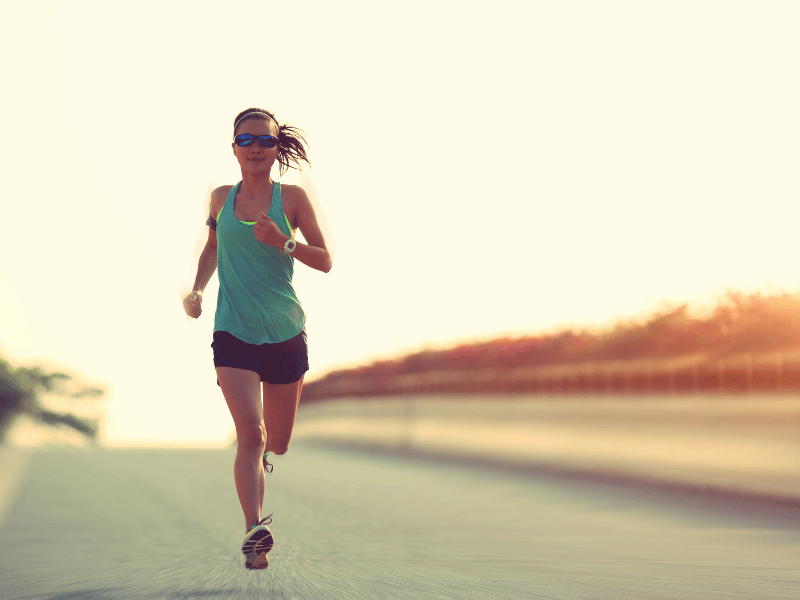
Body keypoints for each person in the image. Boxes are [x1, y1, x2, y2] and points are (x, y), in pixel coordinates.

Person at [183, 108, 332, 570]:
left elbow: (325, 260)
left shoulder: (292, 201)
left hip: (285, 330)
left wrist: (282, 242)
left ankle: (265, 466)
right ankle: (254, 530)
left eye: (264, 141)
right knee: (251, 434)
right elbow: (212, 248)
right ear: (233, 148)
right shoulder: (220, 199)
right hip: (233, 331)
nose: (255, 148)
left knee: (278, 442)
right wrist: (197, 289)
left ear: (275, 148)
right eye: (245, 140)